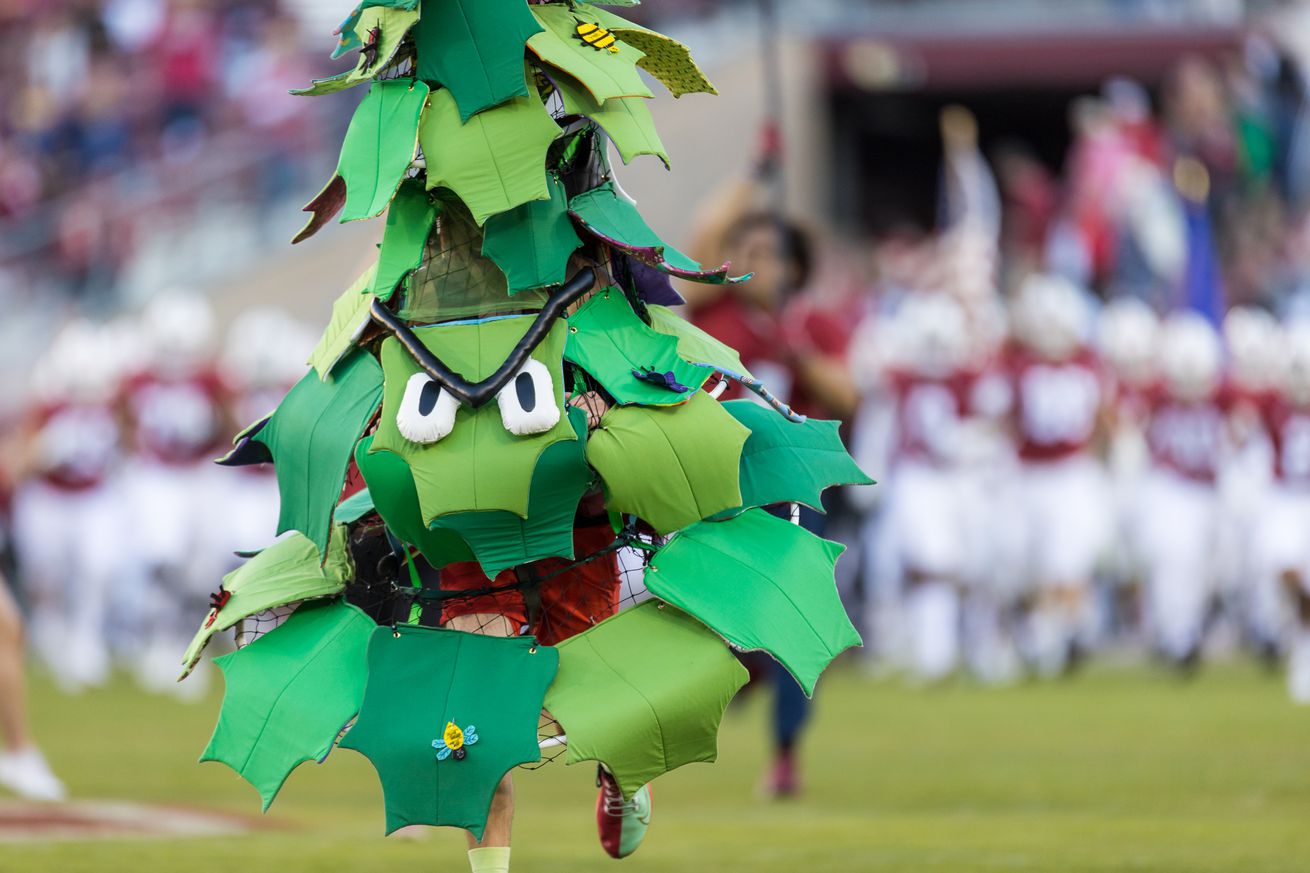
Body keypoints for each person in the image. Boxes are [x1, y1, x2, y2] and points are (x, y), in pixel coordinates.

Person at [679, 159, 858, 797]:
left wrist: (796, 349)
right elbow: (704, 234)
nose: (754, 262)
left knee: (792, 625)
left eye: (769, 254)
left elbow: (850, 394)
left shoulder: (811, 325)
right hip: (713, 490)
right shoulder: (712, 314)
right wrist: (751, 175)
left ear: (796, 266)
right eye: (745, 251)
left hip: (788, 495)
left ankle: (785, 754)